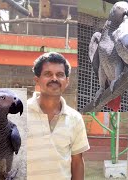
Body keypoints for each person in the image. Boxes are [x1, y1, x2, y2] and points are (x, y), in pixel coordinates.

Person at [27, 52, 90, 180]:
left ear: (66, 81)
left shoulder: (75, 119)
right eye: (48, 74)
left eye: (60, 74)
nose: (54, 78)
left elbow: (77, 162)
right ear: (37, 80)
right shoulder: (20, 113)